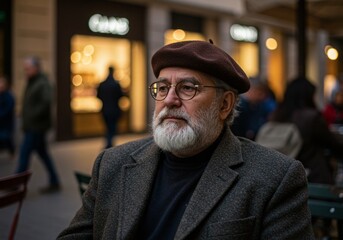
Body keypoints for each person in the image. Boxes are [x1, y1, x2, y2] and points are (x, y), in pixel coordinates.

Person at [58, 40, 314, 239]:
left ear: (224, 105)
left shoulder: (275, 178)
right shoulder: (112, 163)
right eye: (162, 87)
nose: (170, 99)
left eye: (188, 88)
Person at [269, 77, 343, 185]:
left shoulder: (276, 115)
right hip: (312, 176)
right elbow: (332, 143)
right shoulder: (312, 118)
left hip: (282, 176)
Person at [15, 56, 61, 193]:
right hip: (33, 125)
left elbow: (46, 102)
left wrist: (33, 116)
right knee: (43, 154)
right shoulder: (33, 82)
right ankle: (54, 180)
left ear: (36, 68)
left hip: (36, 127)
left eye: (28, 69)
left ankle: (16, 183)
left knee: (24, 153)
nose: (26, 71)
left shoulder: (42, 83)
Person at [97, 66, 124, 148]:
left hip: (105, 109)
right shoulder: (116, 84)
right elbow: (121, 96)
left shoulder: (102, 84)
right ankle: (109, 143)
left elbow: (98, 96)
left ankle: (109, 142)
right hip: (114, 109)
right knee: (112, 127)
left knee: (108, 127)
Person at [0, 75, 15, 157]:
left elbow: (8, 108)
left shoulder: (8, 95)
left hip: (6, 122)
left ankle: (11, 151)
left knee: (7, 138)